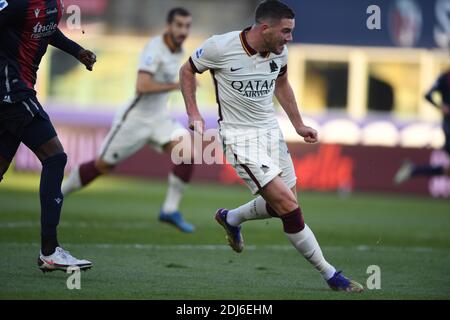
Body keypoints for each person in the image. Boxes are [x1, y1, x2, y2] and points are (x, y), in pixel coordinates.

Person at [179, 0, 363, 292]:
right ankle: (331, 275)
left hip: (271, 134)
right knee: (289, 207)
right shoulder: (220, 47)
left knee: (283, 206)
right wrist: (193, 112)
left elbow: (282, 85)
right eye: (286, 31)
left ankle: (231, 218)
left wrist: (298, 124)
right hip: (239, 138)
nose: (289, 38)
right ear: (265, 28)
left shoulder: (280, 52)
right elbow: (187, 71)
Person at [62, 8, 196, 233]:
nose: (183, 30)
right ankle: (57, 195)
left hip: (160, 118)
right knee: (103, 165)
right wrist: (177, 85)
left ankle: (169, 210)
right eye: (179, 25)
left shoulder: (177, 50)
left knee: (187, 152)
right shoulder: (155, 48)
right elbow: (141, 86)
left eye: (187, 26)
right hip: (135, 119)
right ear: (169, 26)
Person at [0, 0, 97, 272]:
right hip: (13, 92)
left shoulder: (53, 4)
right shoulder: (17, 4)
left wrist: (77, 51)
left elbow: (47, 30)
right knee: (55, 157)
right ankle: (50, 251)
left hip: (16, 91)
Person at [395, 70, 450, 184]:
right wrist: (441, 107)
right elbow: (428, 95)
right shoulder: (445, 78)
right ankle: (414, 170)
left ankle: (414, 170)